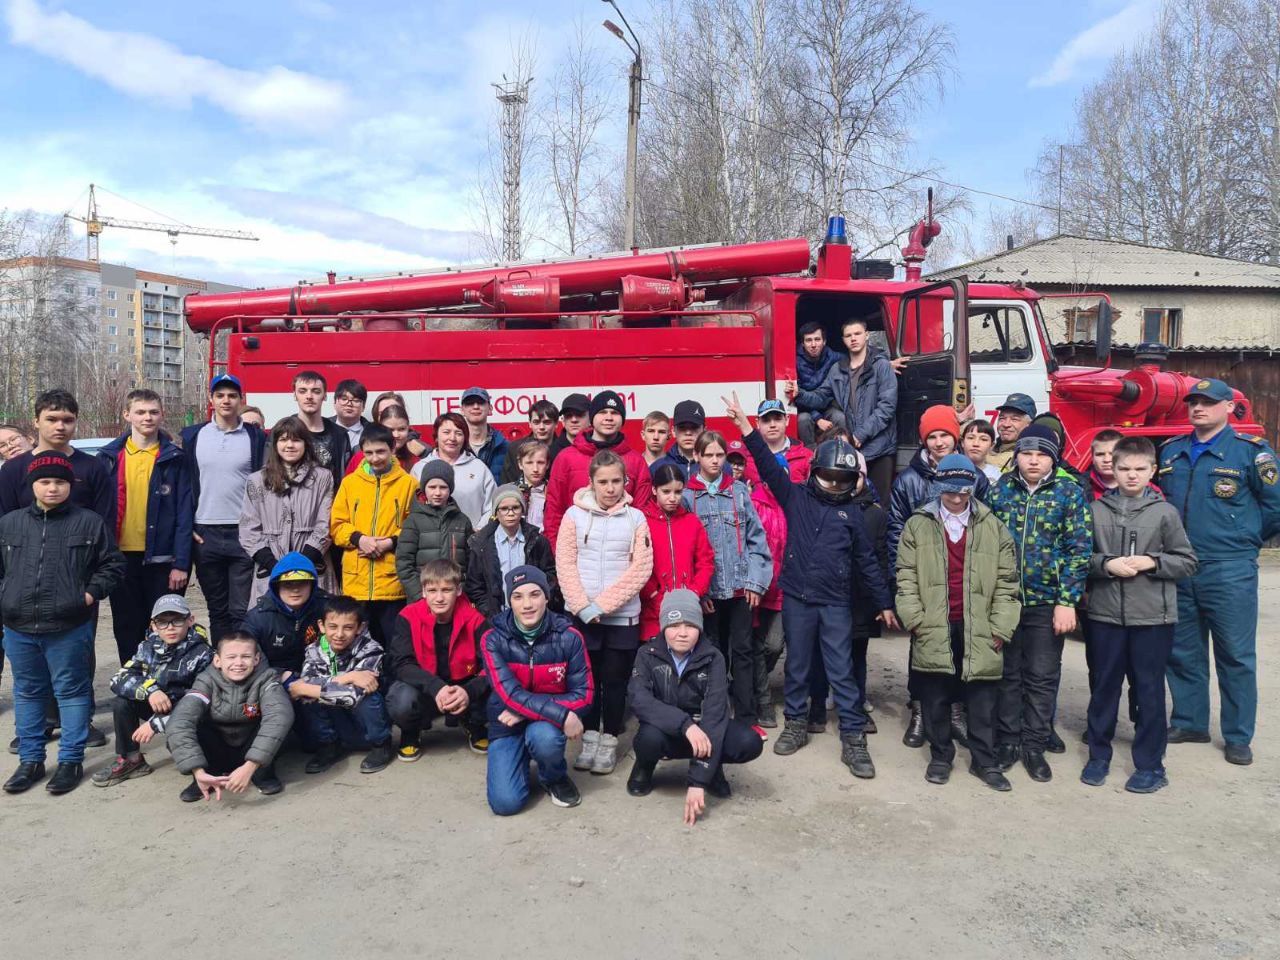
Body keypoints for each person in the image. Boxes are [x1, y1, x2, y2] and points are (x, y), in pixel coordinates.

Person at [725, 392, 896, 779]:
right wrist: (746, 429)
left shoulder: (852, 514)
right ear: (814, 470)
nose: (834, 483)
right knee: (798, 667)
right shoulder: (795, 496)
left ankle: (854, 738)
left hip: (835, 603)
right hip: (797, 600)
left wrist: (884, 601)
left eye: (842, 479)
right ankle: (797, 724)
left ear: (854, 480)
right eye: (828, 475)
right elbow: (768, 467)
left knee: (842, 671)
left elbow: (868, 561)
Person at [1159, 378, 1280, 767]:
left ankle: (1238, 735)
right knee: (1182, 650)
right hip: (1180, 565)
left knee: (1235, 654)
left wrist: (1244, 539)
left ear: (1229, 408)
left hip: (1229, 568)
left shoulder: (1251, 454)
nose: (1198, 408)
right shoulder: (1172, 452)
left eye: (1208, 403)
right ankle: (1190, 721)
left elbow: (1275, 506)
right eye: (1194, 402)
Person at [0, 452, 125, 795]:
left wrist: (87, 595)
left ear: (70, 486)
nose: (52, 488)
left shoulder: (88, 523)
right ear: (32, 486)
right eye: (45, 482)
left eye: (60, 482)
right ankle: (31, 760)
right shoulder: (9, 524)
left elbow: (112, 565)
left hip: (69, 625)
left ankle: (70, 760)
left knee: (71, 692)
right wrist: (5, 598)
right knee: (27, 693)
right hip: (18, 625)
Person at [895, 455, 1021, 791]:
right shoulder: (917, 524)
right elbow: (905, 576)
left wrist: (1000, 627)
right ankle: (941, 757)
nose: (956, 498)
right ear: (938, 488)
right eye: (949, 491)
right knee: (935, 694)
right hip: (934, 622)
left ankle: (985, 762)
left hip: (979, 623)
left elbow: (1009, 581)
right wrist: (915, 619)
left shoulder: (993, 526)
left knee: (981, 697)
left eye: (962, 491)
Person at [1083, 437, 1197, 792]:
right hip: (1105, 616)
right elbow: (1079, 557)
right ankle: (1098, 755)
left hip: (1152, 618)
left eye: (1139, 469)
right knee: (1104, 687)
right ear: (1112, 470)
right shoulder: (1096, 510)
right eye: (1124, 469)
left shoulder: (1164, 513)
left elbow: (1188, 561)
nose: (1132, 476)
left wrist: (1154, 561)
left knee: (1148, 690)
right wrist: (1105, 565)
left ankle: (1150, 764)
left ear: (1151, 471)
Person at [986, 424, 1092, 782]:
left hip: (1047, 602)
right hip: (1006, 601)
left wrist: (1067, 601)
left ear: (1053, 458)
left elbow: (1079, 550)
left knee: (1042, 676)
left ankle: (1034, 743)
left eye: (1042, 454)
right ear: (1017, 455)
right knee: (1007, 674)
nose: (1033, 460)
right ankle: (1009, 740)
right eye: (1027, 453)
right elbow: (986, 545)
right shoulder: (1000, 491)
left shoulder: (1068, 492)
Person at [888, 404, 989, 748]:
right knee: (923, 651)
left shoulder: (975, 478)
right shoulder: (908, 479)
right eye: (932, 435)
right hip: (925, 581)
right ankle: (919, 711)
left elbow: (986, 527)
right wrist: (901, 586)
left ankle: (956, 712)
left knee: (960, 650)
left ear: (955, 436)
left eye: (945, 434)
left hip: (963, 581)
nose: (939, 441)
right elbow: (896, 533)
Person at [626, 589, 764, 822]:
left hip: (706, 730)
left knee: (748, 741)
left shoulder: (714, 658)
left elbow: (715, 713)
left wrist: (699, 780)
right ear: (663, 627)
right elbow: (640, 700)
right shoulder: (646, 654)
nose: (682, 633)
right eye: (674, 625)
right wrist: (685, 725)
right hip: (668, 729)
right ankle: (644, 767)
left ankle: (712, 768)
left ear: (699, 627)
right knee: (647, 739)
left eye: (689, 625)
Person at [555, 450, 653, 774]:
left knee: (614, 681)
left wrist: (603, 605)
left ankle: (609, 739)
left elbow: (641, 568)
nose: (610, 488)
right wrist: (583, 607)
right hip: (583, 616)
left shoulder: (636, 518)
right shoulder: (573, 515)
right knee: (588, 681)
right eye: (603, 482)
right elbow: (565, 563)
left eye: (616, 481)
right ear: (591, 482)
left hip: (622, 618)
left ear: (625, 481)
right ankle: (589, 739)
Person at [482, 566, 591, 815]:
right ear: (509, 601)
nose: (527, 604)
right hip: (506, 723)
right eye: (518, 597)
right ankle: (516, 761)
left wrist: (528, 712)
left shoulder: (569, 636)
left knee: (545, 738)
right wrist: (561, 715)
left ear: (547, 597)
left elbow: (584, 695)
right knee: (505, 804)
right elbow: (508, 694)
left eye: (534, 594)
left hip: (540, 724)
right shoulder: (492, 639)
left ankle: (553, 776)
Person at [683, 431, 772, 729]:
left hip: (740, 589)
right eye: (708, 455)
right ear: (696, 457)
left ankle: (747, 717)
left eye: (719, 455)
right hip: (707, 594)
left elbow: (757, 540)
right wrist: (697, 592)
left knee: (744, 652)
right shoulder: (687, 497)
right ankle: (716, 715)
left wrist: (756, 582)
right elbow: (686, 550)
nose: (714, 460)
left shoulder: (738, 492)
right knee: (711, 653)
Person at [99, 389, 194, 666]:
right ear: (127, 415)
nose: (147, 417)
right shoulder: (108, 458)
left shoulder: (175, 459)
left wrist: (181, 563)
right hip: (120, 559)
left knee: (168, 629)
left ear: (162, 414)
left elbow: (184, 513)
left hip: (163, 560)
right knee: (127, 627)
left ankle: (167, 686)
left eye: (153, 412)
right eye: (140, 412)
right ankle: (133, 688)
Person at [181, 373, 267, 646]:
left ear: (241, 400)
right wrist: (189, 527)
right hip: (205, 533)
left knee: (241, 609)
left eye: (232, 395)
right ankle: (221, 663)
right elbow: (185, 485)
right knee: (218, 610)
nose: (226, 400)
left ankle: (242, 665)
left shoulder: (255, 437)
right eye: (220, 395)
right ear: (211, 399)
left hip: (243, 531)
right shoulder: (193, 436)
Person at [93, 595, 212, 788]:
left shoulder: (203, 653)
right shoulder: (147, 647)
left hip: (190, 713)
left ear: (191, 620)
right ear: (154, 625)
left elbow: (202, 699)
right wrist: (151, 691)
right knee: (122, 702)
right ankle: (132, 760)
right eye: (163, 622)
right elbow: (119, 678)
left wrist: (156, 723)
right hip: (158, 704)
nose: (170, 627)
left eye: (177, 620)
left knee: (189, 762)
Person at [165, 632, 293, 801]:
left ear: (256, 659)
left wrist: (250, 766)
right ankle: (206, 776)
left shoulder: (267, 679)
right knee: (182, 729)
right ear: (218, 660)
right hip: (218, 746)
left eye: (246, 656)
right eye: (231, 657)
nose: (238, 663)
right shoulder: (205, 680)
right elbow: (180, 720)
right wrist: (197, 770)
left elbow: (280, 716)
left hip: (250, 745)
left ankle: (262, 773)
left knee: (280, 724)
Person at [788, 317, 897, 504]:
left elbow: (886, 408)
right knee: (852, 503)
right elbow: (821, 397)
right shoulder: (838, 369)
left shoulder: (882, 366)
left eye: (857, 334)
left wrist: (860, 435)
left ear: (866, 335)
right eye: (848, 335)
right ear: (843, 340)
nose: (853, 338)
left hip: (879, 448)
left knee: (879, 505)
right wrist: (800, 394)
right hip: (853, 449)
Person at [388, 559, 491, 758]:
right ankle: (410, 731)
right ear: (424, 591)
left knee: (495, 692)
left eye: (447, 590)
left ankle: (474, 723)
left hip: (462, 687)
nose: (439, 598)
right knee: (400, 699)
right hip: (426, 687)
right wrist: (436, 687)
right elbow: (401, 664)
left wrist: (468, 691)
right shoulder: (407, 616)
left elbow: (492, 666)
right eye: (433, 590)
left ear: (459, 590)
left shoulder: (475, 619)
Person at [286, 595, 396, 775]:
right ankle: (328, 745)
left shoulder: (371, 649)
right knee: (309, 696)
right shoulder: (314, 650)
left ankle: (380, 744)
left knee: (368, 694)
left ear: (360, 628)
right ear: (321, 626)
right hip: (337, 720)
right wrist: (348, 677)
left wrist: (308, 687)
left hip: (365, 723)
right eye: (332, 627)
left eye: (348, 628)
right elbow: (307, 684)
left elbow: (353, 696)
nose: (339, 634)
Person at [331, 424, 417, 646]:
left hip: (392, 583)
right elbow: (337, 525)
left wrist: (390, 542)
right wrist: (361, 539)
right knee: (357, 645)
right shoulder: (350, 483)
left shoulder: (408, 484)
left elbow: (414, 525)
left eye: (380, 452)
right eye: (368, 453)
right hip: (356, 583)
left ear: (392, 448)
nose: (375, 458)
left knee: (394, 645)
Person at [239, 416, 336, 607]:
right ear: (275, 444)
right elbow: (248, 528)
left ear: (306, 444)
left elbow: (326, 523)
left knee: (318, 624)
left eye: (296, 440)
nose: (289, 445)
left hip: (313, 560)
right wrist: (275, 566)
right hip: (271, 564)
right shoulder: (257, 480)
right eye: (283, 440)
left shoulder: (323, 477)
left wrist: (302, 563)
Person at [726, 442, 787, 729]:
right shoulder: (754, 502)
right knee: (749, 646)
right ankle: (761, 702)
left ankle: (750, 683)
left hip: (782, 590)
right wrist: (753, 580)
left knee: (772, 645)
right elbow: (751, 546)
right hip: (754, 587)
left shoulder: (791, 505)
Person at [544, 390, 652, 544]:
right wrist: (558, 553)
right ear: (592, 417)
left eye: (614, 413)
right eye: (602, 412)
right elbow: (554, 511)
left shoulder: (636, 461)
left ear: (622, 419)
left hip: (621, 554)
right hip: (575, 553)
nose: (608, 417)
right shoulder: (566, 458)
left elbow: (642, 514)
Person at [640, 463, 715, 643]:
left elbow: (706, 561)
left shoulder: (692, 522)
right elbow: (636, 563)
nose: (673, 498)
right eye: (666, 492)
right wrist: (653, 594)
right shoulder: (641, 521)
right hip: (651, 611)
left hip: (688, 606)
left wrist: (695, 592)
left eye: (678, 492)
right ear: (654, 490)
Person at [466, 485, 556, 618]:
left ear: (522, 510)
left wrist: (539, 605)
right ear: (496, 513)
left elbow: (549, 576)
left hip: (532, 613)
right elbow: (475, 586)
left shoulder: (537, 540)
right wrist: (490, 613)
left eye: (515, 508)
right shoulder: (481, 543)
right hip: (497, 616)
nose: (510, 513)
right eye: (504, 509)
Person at [395, 460, 474, 602]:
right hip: (422, 600)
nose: (437, 493)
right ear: (424, 488)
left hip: (456, 600)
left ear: (450, 489)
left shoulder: (462, 521)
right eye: (432, 487)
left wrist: (461, 593)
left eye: (443, 487)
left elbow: (471, 564)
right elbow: (404, 563)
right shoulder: (413, 521)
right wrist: (421, 596)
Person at [241, 552, 329, 677]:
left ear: (312, 585)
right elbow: (243, 659)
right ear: (276, 586)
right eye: (288, 584)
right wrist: (283, 677)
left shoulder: (330, 609)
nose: (295, 589)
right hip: (273, 682)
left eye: (302, 582)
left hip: (322, 677)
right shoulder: (257, 618)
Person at [411, 411, 495, 530]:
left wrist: (479, 531)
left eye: (458, 433)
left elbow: (493, 505)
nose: (452, 438)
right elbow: (412, 507)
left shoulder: (479, 468)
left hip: (472, 540)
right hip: (430, 542)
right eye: (446, 432)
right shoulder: (420, 468)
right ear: (436, 436)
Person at [291, 371, 349, 488]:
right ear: (295, 395)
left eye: (316, 391)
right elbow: (271, 474)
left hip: (329, 503)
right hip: (291, 503)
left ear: (325, 396)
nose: (309, 396)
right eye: (302, 391)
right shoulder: (282, 431)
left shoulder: (339, 435)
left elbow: (345, 479)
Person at [793, 321, 845, 447]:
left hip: (827, 406)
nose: (813, 345)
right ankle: (810, 456)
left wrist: (883, 363)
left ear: (824, 342)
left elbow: (857, 356)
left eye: (817, 339)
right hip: (804, 408)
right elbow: (797, 397)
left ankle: (841, 453)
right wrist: (817, 418)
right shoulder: (794, 361)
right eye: (808, 340)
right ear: (802, 344)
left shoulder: (833, 357)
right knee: (803, 420)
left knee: (840, 417)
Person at [345, 402, 420, 476]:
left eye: (402, 429)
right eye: (390, 430)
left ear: (408, 428)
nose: (396, 435)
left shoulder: (415, 462)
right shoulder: (360, 458)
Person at [500, 400, 560, 484]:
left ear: (556, 423)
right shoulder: (515, 449)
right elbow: (507, 484)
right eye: (536, 422)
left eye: (547, 422)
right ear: (529, 423)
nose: (541, 427)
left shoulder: (564, 451)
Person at [754, 399, 813, 482]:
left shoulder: (807, 456)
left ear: (787, 420)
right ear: (757, 423)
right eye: (766, 420)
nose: (772, 425)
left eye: (777, 419)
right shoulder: (747, 456)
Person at [458, 386, 508, 482]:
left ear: (490, 408)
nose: (476, 406)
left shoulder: (505, 447)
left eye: (480, 402)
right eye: (469, 403)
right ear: (462, 410)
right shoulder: (456, 447)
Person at [650, 400, 705, 480]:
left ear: (704, 430)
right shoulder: (656, 468)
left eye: (694, 427)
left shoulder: (719, 465)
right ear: (673, 431)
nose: (688, 433)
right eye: (682, 427)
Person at [987, 393, 1036, 473]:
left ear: (1029, 424)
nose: (1006, 424)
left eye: (1014, 419)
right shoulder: (992, 447)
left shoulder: (1032, 455)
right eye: (1002, 418)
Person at [328, 378, 371, 464]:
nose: (349, 404)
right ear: (334, 402)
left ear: (363, 406)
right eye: (344, 399)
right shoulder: (324, 428)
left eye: (356, 400)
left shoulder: (372, 432)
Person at [514, 440, 549, 530]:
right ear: (520, 464)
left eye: (540, 463)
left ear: (547, 464)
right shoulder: (510, 492)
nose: (535, 469)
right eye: (529, 463)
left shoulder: (553, 492)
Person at [549, 393, 590, 463]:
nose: (574, 420)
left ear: (590, 418)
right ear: (563, 421)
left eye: (579, 414)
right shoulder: (551, 452)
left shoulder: (600, 447)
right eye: (568, 415)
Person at [1086, 429, 1123, 500]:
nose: (1106, 460)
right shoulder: (1079, 487)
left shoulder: (1144, 488)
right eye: (1100, 454)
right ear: (1092, 458)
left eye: (1112, 454)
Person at [961, 418, 1001, 483]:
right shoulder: (950, 470)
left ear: (991, 445)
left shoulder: (997, 475)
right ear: (962, 442)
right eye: (970, 438)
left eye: (983, 439)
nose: (976, 444)